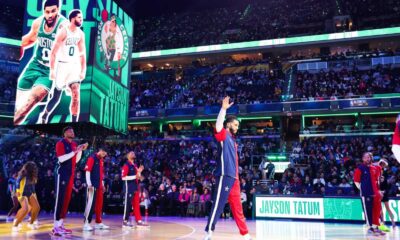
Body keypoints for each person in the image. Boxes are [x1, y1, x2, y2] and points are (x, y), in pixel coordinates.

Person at [204, 96, 252, 240]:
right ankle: (209, 233)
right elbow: (218, 125)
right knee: (218, 205)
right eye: (235, 125)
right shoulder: (223, 134)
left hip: (234, 178)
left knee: (238, 209)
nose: (237, 127)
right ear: (229, 124)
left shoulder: (233, 140)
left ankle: (246, 234)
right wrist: (223, 109)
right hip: (224, 176)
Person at [14, 0, 67, 125]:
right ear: (44, 11)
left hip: (49, 72)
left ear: (58, 10)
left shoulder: (64, 27)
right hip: (34, 65)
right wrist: (16, 48)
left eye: (53, 11)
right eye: (47, 12)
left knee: (27, 107)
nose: (49, 15)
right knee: (16, 105)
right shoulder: (38, 23)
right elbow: (28, 40)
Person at [41, 9, 86, 123]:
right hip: (62, 66)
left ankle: (74, 122)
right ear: (72, 18)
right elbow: (53, 52)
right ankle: (45, 114)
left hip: (74, 66)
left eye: (81, 18)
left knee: (76, 93)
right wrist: (52, 70)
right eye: (79, 17)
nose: (81, 20)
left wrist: (83, 69)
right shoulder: (64, 31)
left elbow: (82, 54)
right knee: (56, 98)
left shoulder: (81, 34)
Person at [52, 126, 88, 236]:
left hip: (71, 173)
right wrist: (75, 151)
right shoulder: (60, 143)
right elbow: (61, 159)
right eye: (69, 131)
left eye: (73, 131)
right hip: (62, 173)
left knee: (66, 199)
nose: (72, 132)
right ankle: (55, 227)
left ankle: (61, 224)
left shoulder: (73, 145)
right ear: (64, 133)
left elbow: (76, 160)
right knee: (60, 199)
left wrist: (80, 151)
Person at [354, 152, 385, 236]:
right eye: (366, 157)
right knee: (368, 212)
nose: (368, 159)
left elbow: (377, 181)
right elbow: (356, 182)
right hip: (366, 193)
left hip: (375, 193)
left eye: (370, 157)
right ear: (363, 158)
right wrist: (363, 189)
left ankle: (375, 227)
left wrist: (378, 190)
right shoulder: (360, 168)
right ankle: (370, 228)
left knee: (376, 212)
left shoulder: (374, 168)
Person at [83, 148, 109, 231]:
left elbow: (101, 174)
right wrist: (89, 184)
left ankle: (98, 222)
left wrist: (102, 184)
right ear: (100, 150)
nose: (105, 155)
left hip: (99, 186)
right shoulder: (92, 158)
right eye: (104, 153)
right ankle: (86, 223)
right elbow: (87, 171)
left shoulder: (101, 160)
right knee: (90, 205)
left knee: (99, 205)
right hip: (92, 185)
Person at [121, 151, 148, 228]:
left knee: (136, 205)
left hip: (135, 187)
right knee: (128, 205)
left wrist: (139, 172)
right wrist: (135, 176)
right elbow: (123, 177)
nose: (133, 154)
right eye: (131, 153)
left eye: (134, 153)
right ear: (127, 156)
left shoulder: (135, 165)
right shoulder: (126, 165)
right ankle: (125, 221)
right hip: (129, 188)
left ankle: (138, 221)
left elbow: (140, 178)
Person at [12, 162, 40, 232]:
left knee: (36, 207)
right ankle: (15, 225)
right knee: (25, 209)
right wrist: (18, 194)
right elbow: (17, 184)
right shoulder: (22, 175)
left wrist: (34, 196)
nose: (35, 169)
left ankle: (31, 223)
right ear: (29, 169)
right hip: (21, 193)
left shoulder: (33, 176)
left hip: (30, 193)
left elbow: (33, 187)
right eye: (33, 168)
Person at [376, 159, 396, 231]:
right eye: (382, 164)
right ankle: (383, 223)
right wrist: (378, 191)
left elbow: (386, 184)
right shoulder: (376, 172)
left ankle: (393, 222)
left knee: (388, 208)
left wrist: (384, 191)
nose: (383, 166)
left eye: (384, 165)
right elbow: (376, 184)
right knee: (380, 210)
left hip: (384, 192)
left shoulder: (385, 173)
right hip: (378, 192)